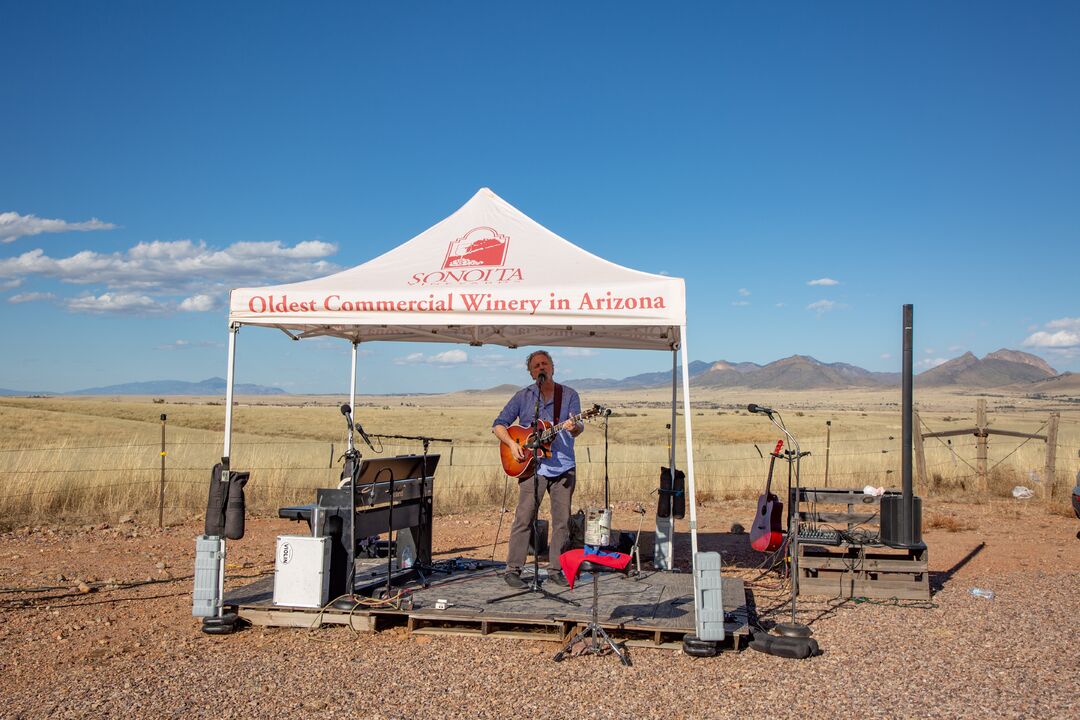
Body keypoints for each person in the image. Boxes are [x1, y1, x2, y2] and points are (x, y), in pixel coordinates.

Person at [493, 350, 584, 588]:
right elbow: (499, 425)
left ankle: (556, 569)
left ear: (553, 367)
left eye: (545, 364)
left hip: (563, 465)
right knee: (524, 518)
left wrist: (574, 427)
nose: (541, 368)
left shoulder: (569, 395)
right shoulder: (523, 396)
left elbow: (578, 426)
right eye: (536, 366)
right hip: (531, 467)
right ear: (531, 372)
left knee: (562, 521)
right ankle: (514, 569)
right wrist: (513, 445)